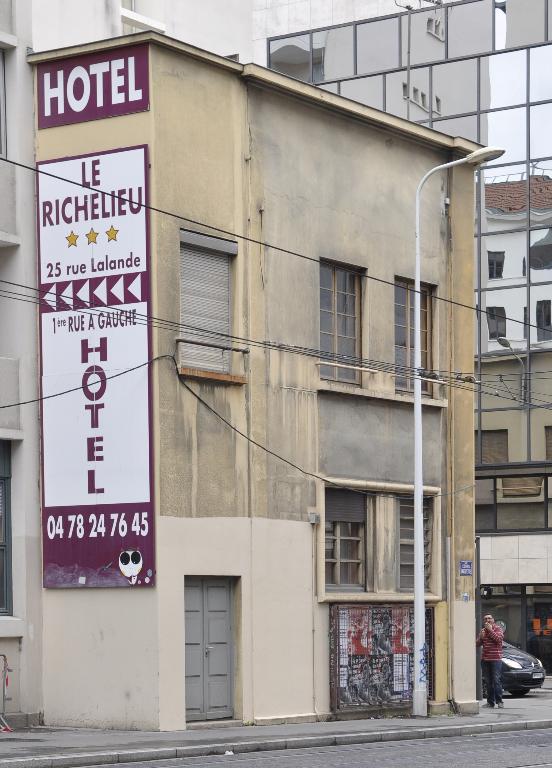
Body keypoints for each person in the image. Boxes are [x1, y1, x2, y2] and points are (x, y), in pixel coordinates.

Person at [476, 613, 504, 708]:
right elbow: (477, 644)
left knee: (496, 680)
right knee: (488, 682)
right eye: (485, 619)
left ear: (493, 620)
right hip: (485, 659)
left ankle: (500, 702)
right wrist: (481, 637)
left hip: (496, 659)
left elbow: (499, 640)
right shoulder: (483, 630)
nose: (487, 620)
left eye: (489, 618)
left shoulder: (498, 629)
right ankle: (490, 702)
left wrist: (490, 630)